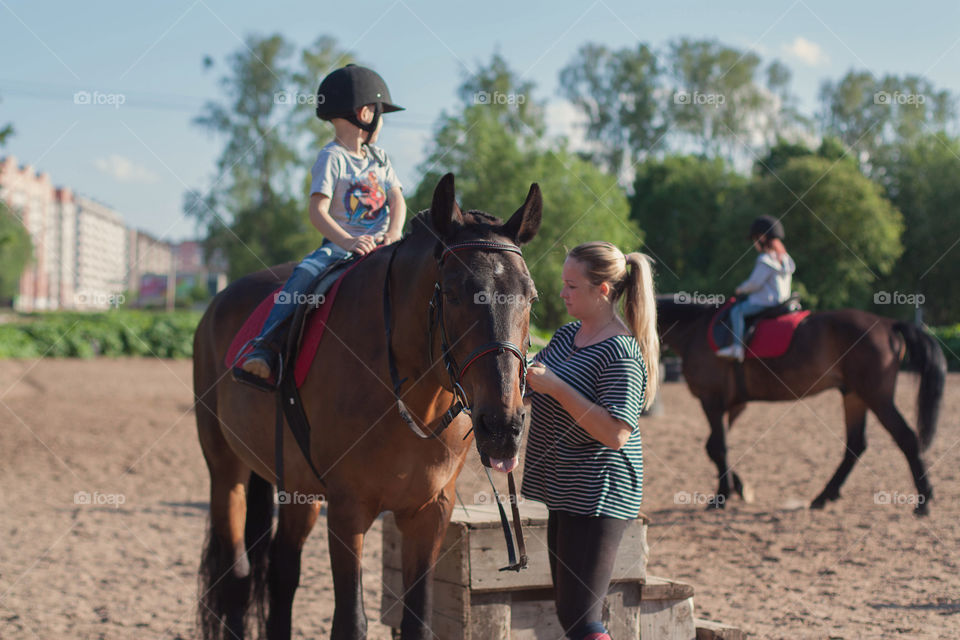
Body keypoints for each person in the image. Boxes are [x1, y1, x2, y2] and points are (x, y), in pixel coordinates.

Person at [234, 64, 406, 387]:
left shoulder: (380, 159)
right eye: (381, 114)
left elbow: (398, 201)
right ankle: (266, 347)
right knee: (303, 277)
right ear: (366, 114)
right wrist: (348, 242)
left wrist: (394, 234)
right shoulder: (332, 158)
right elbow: (317, 212)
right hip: (340, 248)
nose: (382, 123)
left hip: (385, 246)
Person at [522, 241, 659, 640]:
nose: (561, 293)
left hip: (600, 491)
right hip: (564, 485)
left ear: (602, 290)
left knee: (582, 619)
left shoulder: (621, 352)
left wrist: (556, 386)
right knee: (570, 614)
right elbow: (535, 387)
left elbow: (616, 433)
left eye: (572, 286)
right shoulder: (568, 335)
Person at [715, 215, 796, 362]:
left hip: (766, 302)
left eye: (754, 239)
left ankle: (737, 348)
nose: (754, 244)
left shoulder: (765, 260)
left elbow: (754, 284)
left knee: (736, 311)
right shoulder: (785, 259)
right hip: (783, 300)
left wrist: (740, 289)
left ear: (762, 238)